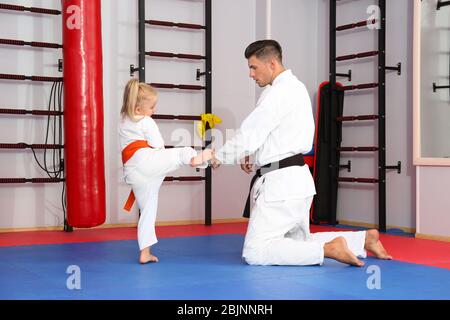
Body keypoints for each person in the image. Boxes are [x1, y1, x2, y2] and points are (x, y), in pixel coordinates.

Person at [211, 40, 392, 267]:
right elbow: (277, 133)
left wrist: (218, 156)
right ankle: (361, 239)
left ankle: (328, 249)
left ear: (272, 64)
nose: (250, 74)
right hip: (296, 181)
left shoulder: (277, 93)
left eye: (254, 67)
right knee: (296, 241)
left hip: (281, 186)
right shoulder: (295, 88)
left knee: (256, 251)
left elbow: (250, 133)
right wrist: (254, 155)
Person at [119, 79, 214, 264]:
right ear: (139, 109)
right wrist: (168, 161)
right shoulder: (146, 121)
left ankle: (145, 253)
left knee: (148, 210)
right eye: (152, 107)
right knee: (182, 152)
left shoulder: (123, 120)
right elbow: (158, 145)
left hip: (133, 173)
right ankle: (195, 159)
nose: (154, 110)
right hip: (145, 162)